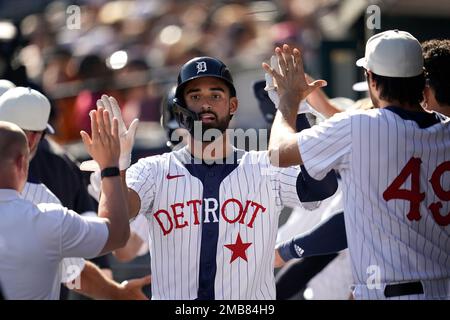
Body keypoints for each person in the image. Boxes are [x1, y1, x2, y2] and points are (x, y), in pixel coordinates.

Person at [84, 56, 337, 300]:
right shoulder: (152, 170)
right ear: (179, 107)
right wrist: (115, 169)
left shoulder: (264, 167)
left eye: (216, 95)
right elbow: (120, 221)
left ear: (233, 105)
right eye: (195, 96)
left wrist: (298, 108)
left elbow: (321, 188)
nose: (205, 104)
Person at [265, 30, 450, 299]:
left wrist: (290, 102)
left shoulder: (358, 127)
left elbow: (278, 153)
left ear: (372, 80)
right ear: (421, 79)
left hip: (389, 292)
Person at [0, 87, 148, 299]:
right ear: (33, 140)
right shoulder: (47, 211)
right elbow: (114, 236)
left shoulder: (47, 207)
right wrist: (112, 168)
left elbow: (71, 271)